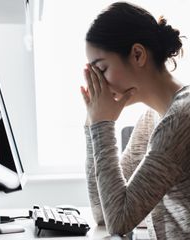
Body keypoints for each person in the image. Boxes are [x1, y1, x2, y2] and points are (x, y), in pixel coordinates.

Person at [80, 2, 190, 239]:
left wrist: (102, 124)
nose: (98, 83)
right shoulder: (151, 119)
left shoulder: (181, 119)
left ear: (138, 55)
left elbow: (118, 221)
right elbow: (103, 210)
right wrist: (92, 122)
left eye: (102, 69)